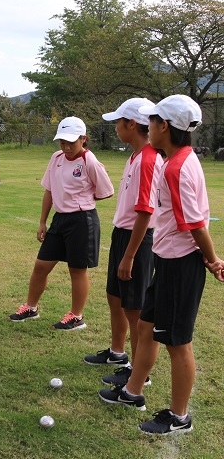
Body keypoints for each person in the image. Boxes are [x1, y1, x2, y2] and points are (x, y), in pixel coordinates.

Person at [99, 95, 224, 435]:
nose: (147, 127)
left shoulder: (175, 168)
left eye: (151, 121)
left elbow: (195, 224)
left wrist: (212, 260)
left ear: (164, 126)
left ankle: (179, 416)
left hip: (180, 265)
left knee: (177, 343)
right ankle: (132, 392)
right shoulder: (180, 159)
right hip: (167, 260)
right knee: (146, 326)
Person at [84, 99, 163, 392]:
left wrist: (129, 256)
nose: (116, 127)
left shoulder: (148, 159)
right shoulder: (134, 157)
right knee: (115, 297)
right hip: (123, 234)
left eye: (119, 122)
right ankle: (118, 352)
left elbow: (146, 211)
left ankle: (139, 371)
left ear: (131, 124)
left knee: (135, 308)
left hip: (137, 240)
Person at [8, 117, 114, 330]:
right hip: (59, 219)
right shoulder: (56, 158)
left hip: (82, 221)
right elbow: (49, 190)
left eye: (71, 142)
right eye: (62, 142)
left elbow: (106, 191)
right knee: (41, 265)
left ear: (83, 139)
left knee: (77, 270)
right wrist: (42, 222)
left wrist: (82, 198)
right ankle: (31, 308)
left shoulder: (89, 161)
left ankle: (76, 316)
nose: (66, 147)